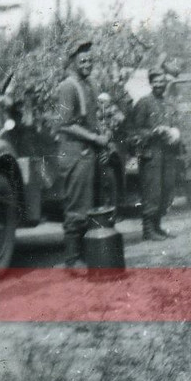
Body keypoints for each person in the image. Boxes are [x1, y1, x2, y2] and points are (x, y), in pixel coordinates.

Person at [55, 39, 112, 269]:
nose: (87, 64)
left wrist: (103, 142)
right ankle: (72, 259)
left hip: (90, 153)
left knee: (92, 206)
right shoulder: (68, 87)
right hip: (75, 154)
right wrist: (94, 138)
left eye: (90, 60)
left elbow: (93, 120)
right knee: (77, 208)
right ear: (73, 62)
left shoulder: (90, 85)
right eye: (82, 60)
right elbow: (65, 124)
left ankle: (87, 255)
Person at [130, 65, 182, 240]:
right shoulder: (144, 103)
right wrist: (154, 131)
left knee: (166, 190)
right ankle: (148, 229)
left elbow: (175, 124)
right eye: (156, 81)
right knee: (152, 191)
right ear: (151, 83)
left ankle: (157, 226)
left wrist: (174, 132)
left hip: (168, 153)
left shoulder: (168, 103)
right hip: (151, 154)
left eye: (162, 81)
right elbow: (134, 131)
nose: (160, 84)